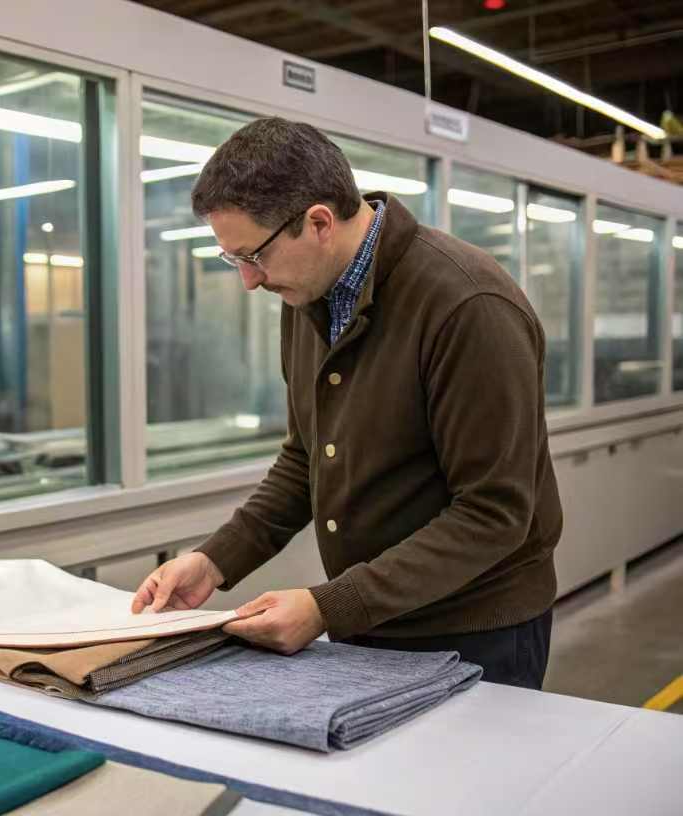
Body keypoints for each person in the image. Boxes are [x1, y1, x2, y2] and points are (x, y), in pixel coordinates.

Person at [131, 117, 561, 689]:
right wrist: (214, 560)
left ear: (318, 222)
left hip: (475, 633)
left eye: (253, 257)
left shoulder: (467, 305)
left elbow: (493, 514)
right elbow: (305, 458)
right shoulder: (309, 296)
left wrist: (328, 607)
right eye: (233, 260)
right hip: (375, 619)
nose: (250, 283)